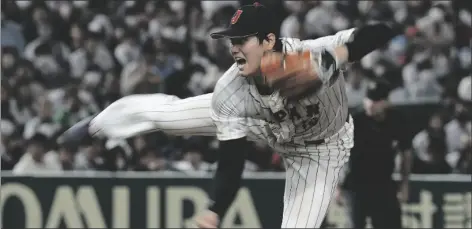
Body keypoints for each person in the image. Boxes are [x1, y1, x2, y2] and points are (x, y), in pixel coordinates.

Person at [59, 3, 400, 228]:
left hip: (318, 150)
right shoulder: (231, 88)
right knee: (170, 116)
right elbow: (231, 159)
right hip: (262, 123)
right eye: (231, 40)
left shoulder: (312, 53)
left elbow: (380, 31)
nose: (234, 47)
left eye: (241, 40)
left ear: (269, 40)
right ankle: (97, 124)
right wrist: (215, 208)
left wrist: (337, 55)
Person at [336, 79, 412, 229]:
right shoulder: (354, 120)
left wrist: (404, 184)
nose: (371, 104)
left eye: (376, 100)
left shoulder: (397, 120)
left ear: (386, 102)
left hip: (383, 182)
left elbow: (406, 153)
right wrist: (336, 187)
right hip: (355, 183)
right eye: (368, 99)